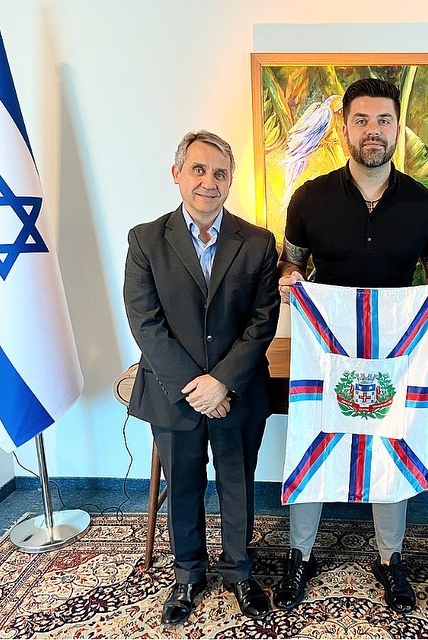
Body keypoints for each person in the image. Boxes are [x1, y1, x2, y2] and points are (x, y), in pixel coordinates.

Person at [274, 77, 428, 614]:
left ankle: (390, 559)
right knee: (311, 436)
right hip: (325, 353)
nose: (372, 131)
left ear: (398, 127)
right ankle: (299, 555)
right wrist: (288, 280)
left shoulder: (427, 205)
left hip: (396, 357)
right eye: (361, 120)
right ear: (344, 127)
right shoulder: (309, 198)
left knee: (390, 442)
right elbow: (290, 262)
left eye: (383, 120)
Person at [123, 130, 280, 625]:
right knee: (184, 486)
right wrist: (197, 388)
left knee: (237, 484)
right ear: (177, 174)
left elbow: (263, 321)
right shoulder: (145, 240)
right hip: (173, 396)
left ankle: (239, 572)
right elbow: (145, 323)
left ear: (230, 181)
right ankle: (188, 573)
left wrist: (223, 383)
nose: (208, 182)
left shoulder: (258, 242)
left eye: (219, 173)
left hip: (238, 392)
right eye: (198, 169)